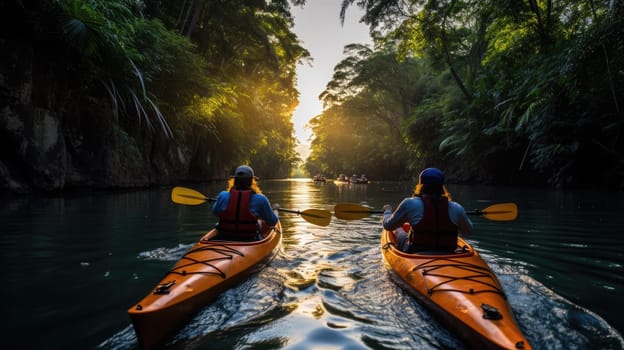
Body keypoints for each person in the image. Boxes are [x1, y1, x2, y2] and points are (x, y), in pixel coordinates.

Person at [382, 167, 473, 252]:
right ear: (442, 187)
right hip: (449, 252)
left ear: (421, 186)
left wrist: (388, 211)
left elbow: (388, 226)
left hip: (417, 252)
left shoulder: (409, 203)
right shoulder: (457, 207)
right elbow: (469, 232)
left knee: (398, 229)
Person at [212, 165, 279, 241]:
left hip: (224, 237)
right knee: (260, 223)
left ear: (235, 180)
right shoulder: (261, 199)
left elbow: (215, 212)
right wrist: (275, 210)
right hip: (249, 239)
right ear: (251, 181)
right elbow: (273, 221)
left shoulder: (223, 195)